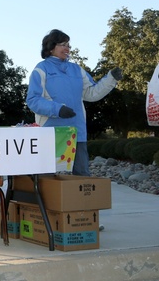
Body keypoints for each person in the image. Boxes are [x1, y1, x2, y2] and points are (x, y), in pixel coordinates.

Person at [26, 29, 122, 176]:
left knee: (82, 177)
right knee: (46, 178)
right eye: (62, 44)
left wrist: (111, 79)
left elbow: (91, 93)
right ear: (51, 47)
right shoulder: (41, 69)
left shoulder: (77, 70)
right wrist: (58, 110)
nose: (67, 48)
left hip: (76, 132)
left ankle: (81, 200)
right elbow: (33, 100)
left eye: (68, 45)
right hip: (51, 132)